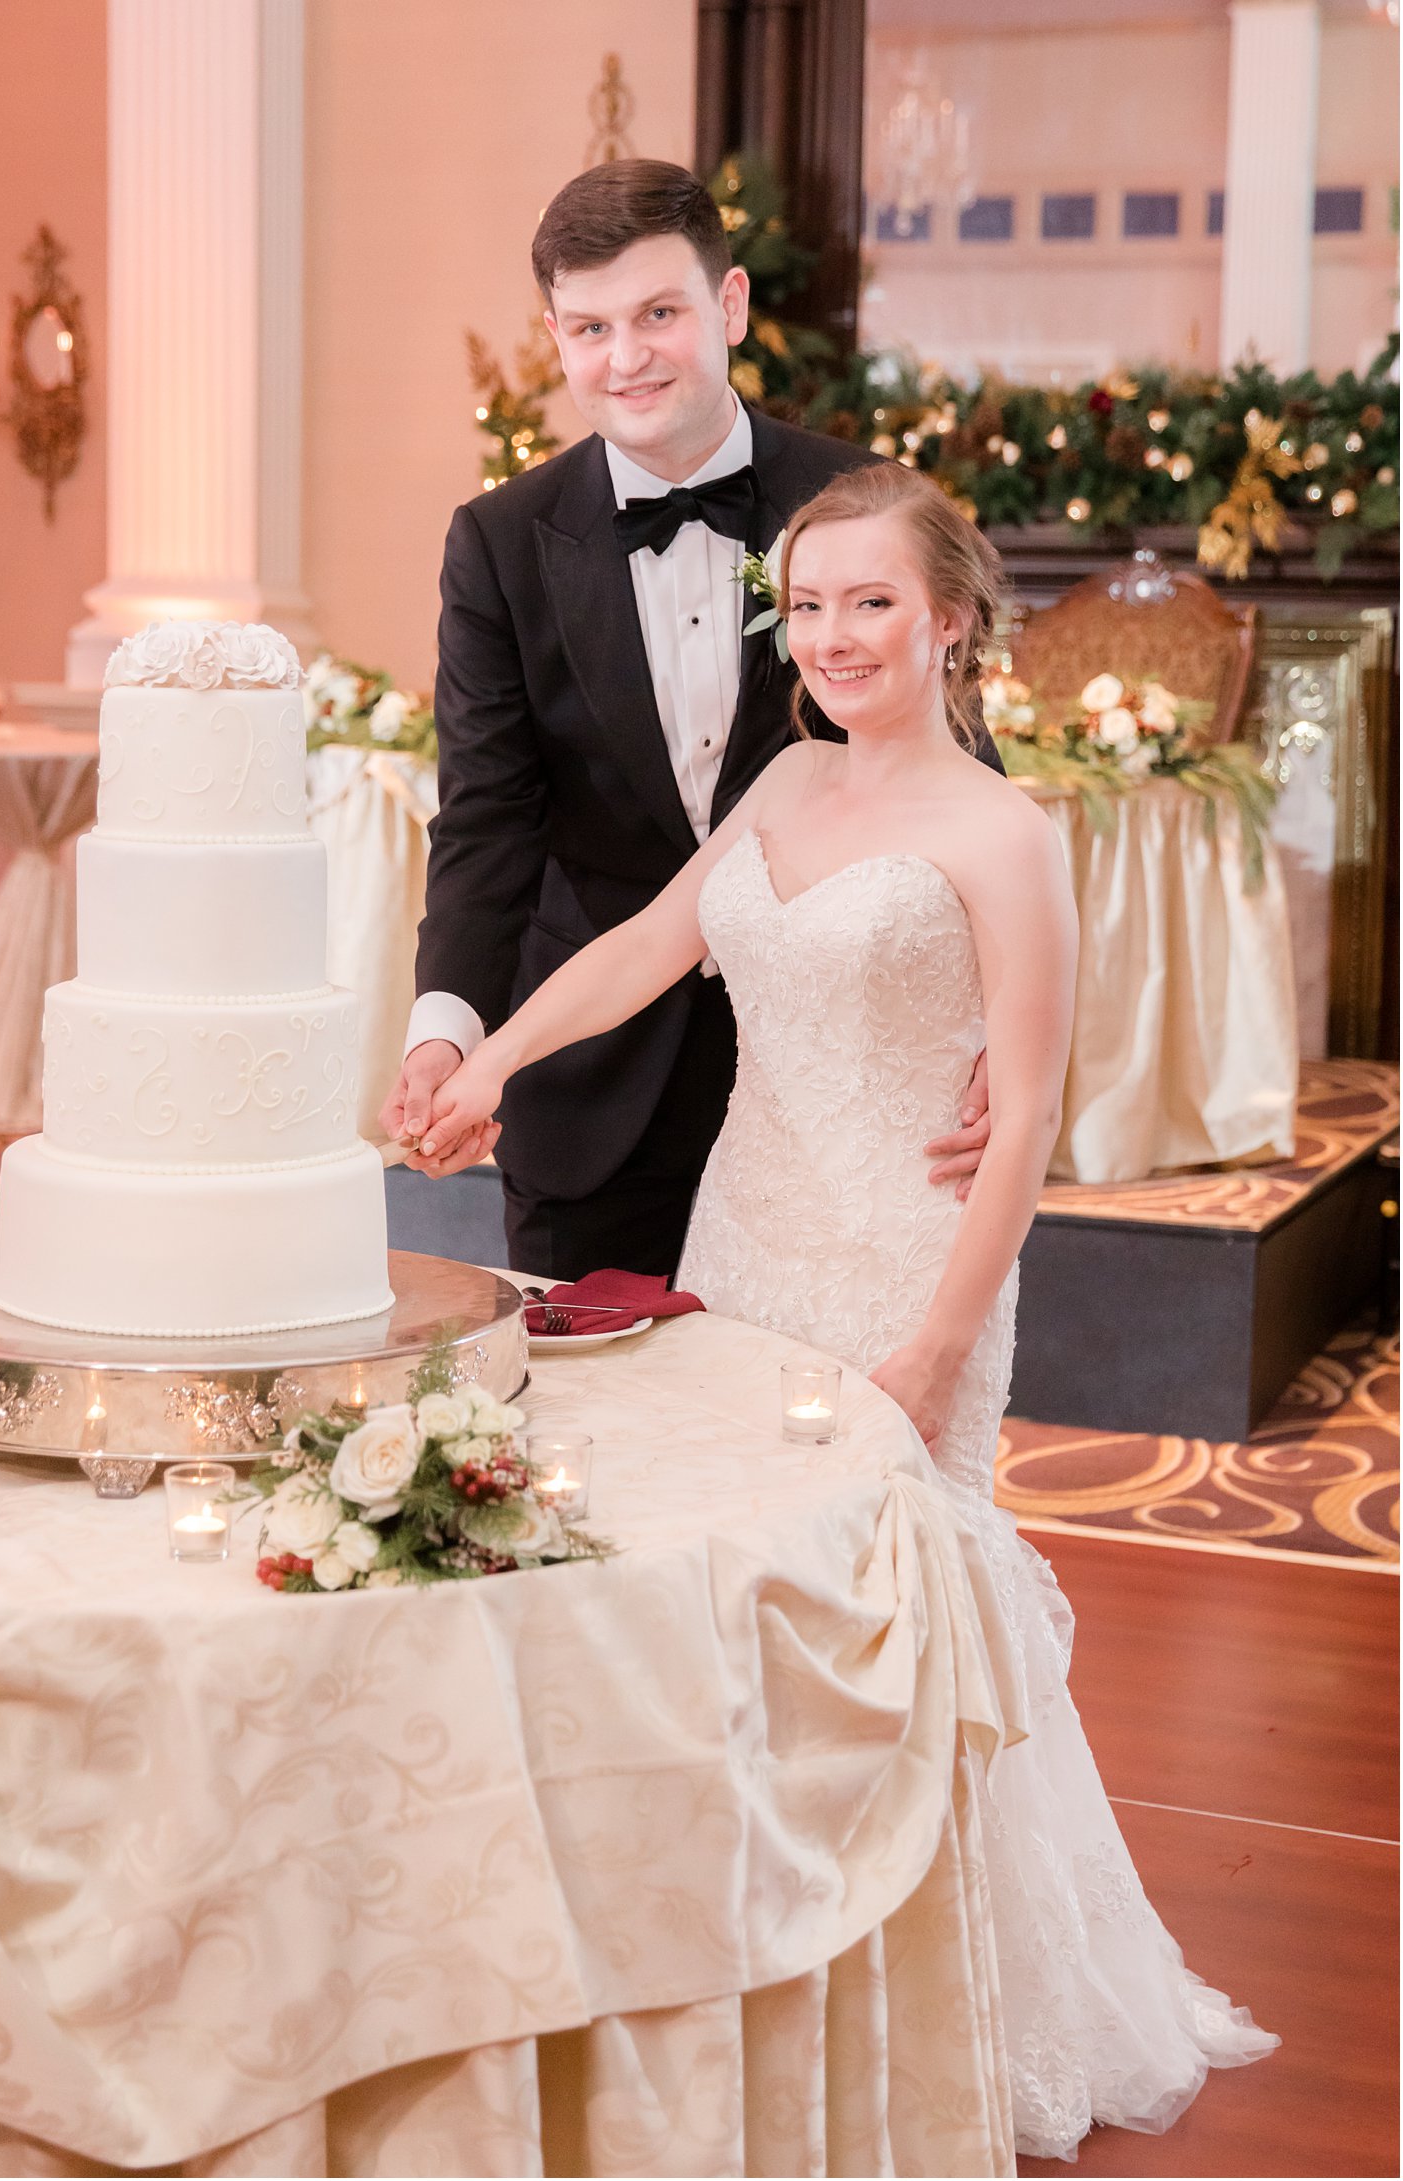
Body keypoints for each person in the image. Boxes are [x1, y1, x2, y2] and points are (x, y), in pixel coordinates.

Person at [411, 460, 1279, 2161]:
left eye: (870, 601)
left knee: (909, 1623)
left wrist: (940, 1346)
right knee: (759, 1607)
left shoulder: (1003, 831)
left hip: (905, 1262)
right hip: (747, 1242)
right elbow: (651, 944)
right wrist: (489, 1058)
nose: (831, 636)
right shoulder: (781, 783)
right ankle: (781, 1984)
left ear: (952, 617)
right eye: (805, 606)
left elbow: (1022, 1113)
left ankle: (947, 2004)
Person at [381, 158, 1003, 1278]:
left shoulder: (860, 502)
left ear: (729, 306)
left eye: (658, 314)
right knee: (594, 1427)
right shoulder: (499, 541)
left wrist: (999, 1027)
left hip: (827, 1075)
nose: (624, 359)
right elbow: (486, 821)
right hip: (592, 1084)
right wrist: (449, 1031)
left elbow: (956, 783)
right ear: (555, 337)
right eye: (588, 328)